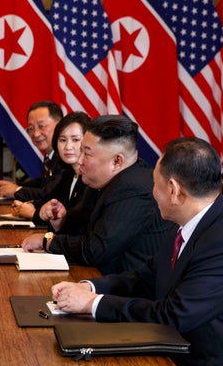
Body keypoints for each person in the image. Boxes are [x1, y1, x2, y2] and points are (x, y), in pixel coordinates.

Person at [51, 137, 223, 366]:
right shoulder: (192, 222)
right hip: (183, 358)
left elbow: (172, 316)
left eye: (154, 185)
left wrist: (93, 305)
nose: (151, 192)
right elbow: (146, 276)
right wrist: (90, 287)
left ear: (173, 190)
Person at [22, 115, 172, 274]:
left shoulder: (133, 189)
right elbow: (84, 225)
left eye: (86, 154)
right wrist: (63, 220)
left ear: (117, 161)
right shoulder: (103, 181)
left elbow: (96, 249)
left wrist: (47, 241)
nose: (80, 161)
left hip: (127, 291)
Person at [11, 111, 98, 231]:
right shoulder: (69, 173)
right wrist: (30, 205)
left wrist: (33, 214)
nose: (68, 147)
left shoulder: (93, 179)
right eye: (62, 140)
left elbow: (75, 221)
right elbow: (51, 199)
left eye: (75, 140)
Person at [0, 101, 64, 201]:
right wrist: (15, 186)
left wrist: (16, 190)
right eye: (31, 128)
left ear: (59, 126)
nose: (35, 134)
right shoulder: (51, 154)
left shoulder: (65, 157)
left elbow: (51, 195)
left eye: (41, 126)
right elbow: (44, 183)